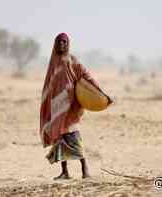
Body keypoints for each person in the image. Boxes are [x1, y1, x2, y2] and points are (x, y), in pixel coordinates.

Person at [40, 33, 112, 180]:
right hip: (57, 106)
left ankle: (85, 170)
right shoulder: (53, 62)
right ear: (55, 44)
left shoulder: (72, 60)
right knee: (59, 138)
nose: (62, 45)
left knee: (73, 136)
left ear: (68, 44)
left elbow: (86, 76)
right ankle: (65, 172)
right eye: (59, 42)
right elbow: (49, 84)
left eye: (64, 42)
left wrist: (102, 93)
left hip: (71, 106)